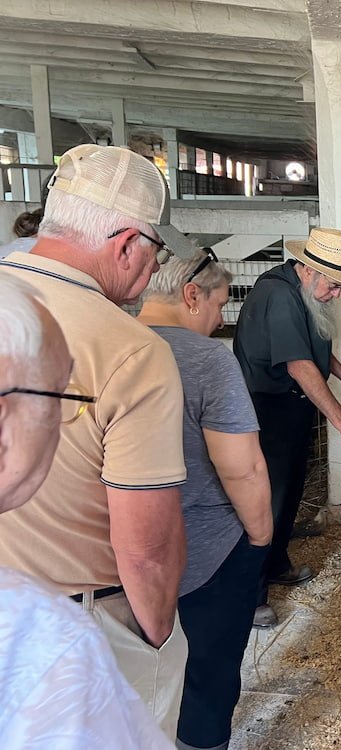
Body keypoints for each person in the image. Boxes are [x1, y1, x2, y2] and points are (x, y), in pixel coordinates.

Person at [0, 143, 201, 739]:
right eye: (155, 250)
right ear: (125, 245)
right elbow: (146, 549)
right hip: (84, 624)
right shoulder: (132, 350)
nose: (151, 267)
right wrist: (158, 636)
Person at [0, 274, 173, 749]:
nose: (63, 424)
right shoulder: (48, 640)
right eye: (61, 399)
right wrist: (158, 639)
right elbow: (146, 549)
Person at [138, 251, 273, 750]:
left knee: (146, 664)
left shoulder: (112, 343)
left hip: (129, 552)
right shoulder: (207, 358)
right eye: (219, 305)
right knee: (209, 673)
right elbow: (242, 466)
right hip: (209, 549)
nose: (221, 319)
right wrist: (260, 535)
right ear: (191, 296)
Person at [234, 227, 341, 627]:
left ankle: (277, 562)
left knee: (291, 489)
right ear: (309, 270)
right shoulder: (278, 295)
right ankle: (251, 594)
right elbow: (299, 365)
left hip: (292, 406)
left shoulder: (301, 291)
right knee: (266, 500)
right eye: (333, 287)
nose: (336, 295)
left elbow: (313, 346)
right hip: (268, 409)